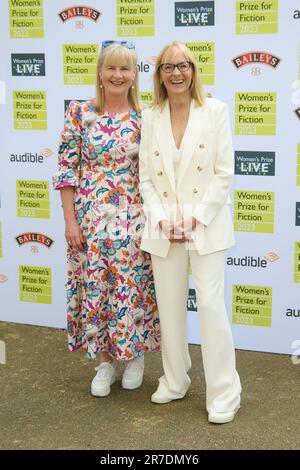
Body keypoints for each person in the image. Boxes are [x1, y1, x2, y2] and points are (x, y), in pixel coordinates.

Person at [139, 41, 241, 424]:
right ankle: (174, 379)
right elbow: (146, 178)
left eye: (183, 66)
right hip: (165, 228)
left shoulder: (215, 111)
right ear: (160, 74)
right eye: (168, 67)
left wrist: (195, 218)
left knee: (212, 310)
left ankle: (224, 392)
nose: (176, 73)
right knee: (169, 308)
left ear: (193, 71)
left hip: (206, 226)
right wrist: (164, 219)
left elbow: (223, 173)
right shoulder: (151, 116)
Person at [53, 40, 160, 398]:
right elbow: (66, 170)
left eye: (125, 68)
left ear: (134, 75)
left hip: (132, 219)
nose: (118, 75)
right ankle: (104, 362)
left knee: (131, 289)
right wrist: (71, 221)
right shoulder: (80, 113)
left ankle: (134, 357)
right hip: (89, 221)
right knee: (96, 289)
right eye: (111, 68)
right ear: (100, 72)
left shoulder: (147, 117)